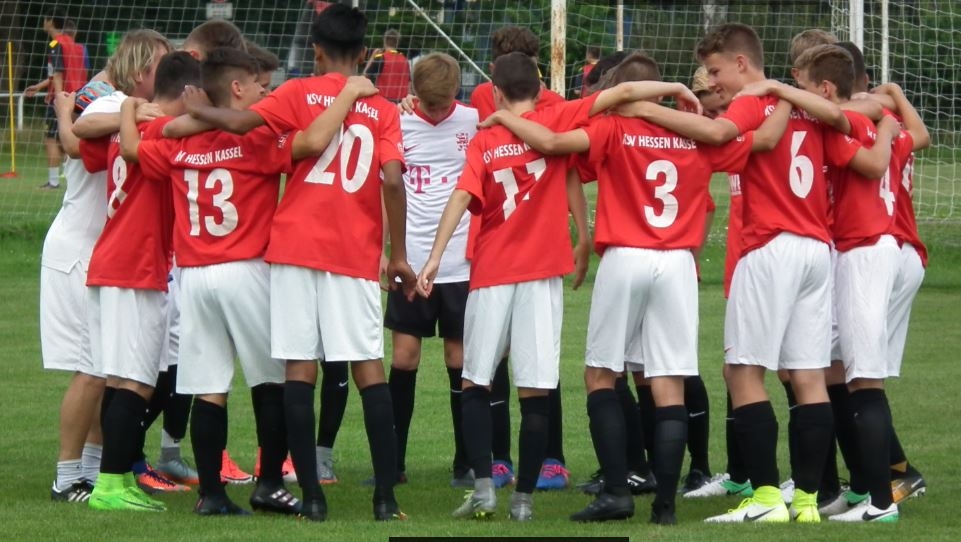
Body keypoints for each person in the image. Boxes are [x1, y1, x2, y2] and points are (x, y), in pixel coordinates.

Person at [480, 52, 788, 525]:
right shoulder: (697, 132)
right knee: (668, 384)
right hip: (678, 262)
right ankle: (665, 505)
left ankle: (617, 492)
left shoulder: (613, 128)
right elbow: (763, 141)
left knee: (601, 375)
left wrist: (504, 118)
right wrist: (784, 95)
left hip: (626, 255)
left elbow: (552, 142)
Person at [417, 51, 699, 521]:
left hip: (493, 270)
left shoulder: (487, 137)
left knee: (475, 381)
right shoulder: (560, 116)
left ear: (496, 92)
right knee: (536, 389)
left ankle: (484, 489)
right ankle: (524, 501)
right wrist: (676, 88)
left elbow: (463, 194)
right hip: (544, 273)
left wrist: (433, 256)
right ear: (539, 89)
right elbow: (625, 93)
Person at [626, 22, 890, 523]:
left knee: (743, 372)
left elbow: (719, 132)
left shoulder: (755, 100)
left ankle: (767, 498)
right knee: (808, 375)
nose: (714, 81)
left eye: (716, 70)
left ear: (742, 63)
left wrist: (643, 109)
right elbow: (858, 113)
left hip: (769, 246)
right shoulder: (809, 107)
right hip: (816, 249)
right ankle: (807, 502)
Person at [182, 4, 415, 522]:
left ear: (315, 50)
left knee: (298, 369)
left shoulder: (295, 92)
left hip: (293, 248)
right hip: (353, 251)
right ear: (366, 53)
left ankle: (311, 498)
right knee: (368, 368)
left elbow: (240, 122)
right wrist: (397, 254)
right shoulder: (383, 108)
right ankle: (385, 500)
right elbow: (393, 180)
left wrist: (199, 110)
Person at [121, 46, 377, 516]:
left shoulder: (178, 140)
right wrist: (347, 96)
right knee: (274, 382)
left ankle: (211, 495)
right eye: (259, 85)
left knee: (209, 387)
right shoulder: (259, 139)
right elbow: (313, 142)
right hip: (246, 269)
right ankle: (269, 484)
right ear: (237, 88)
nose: (265, 93)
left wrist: (132, 111)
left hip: (194, 275)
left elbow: (134, 149)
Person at [85, 49, 196, 513]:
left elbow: (84, 143)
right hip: (138, 264)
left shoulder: (127, 125)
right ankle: (111, 485)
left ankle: (115, 477)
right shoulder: (164, 133)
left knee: (119, 380)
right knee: (137, 382)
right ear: (189, 92)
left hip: (111, 260)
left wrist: (128, 108)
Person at [380, 52, 478, 489]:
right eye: (429, 104)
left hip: (459, 263)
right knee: (404, 357)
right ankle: (393, 462)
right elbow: (387, 189)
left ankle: (465, 462)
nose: (437, 113)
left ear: (457, 91)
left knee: (459, 359)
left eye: (444, 104)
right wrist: (385, 250)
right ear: (414, 93)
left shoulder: (473, 122)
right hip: (412, 259)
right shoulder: (398, 123)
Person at [43, 81, 116, 504]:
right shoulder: (94, 137)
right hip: (75, 255)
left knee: (102, 370)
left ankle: (89, 472)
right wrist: (65, 114)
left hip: (95, 254)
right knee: (90, 370)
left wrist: (65, 112)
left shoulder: (107, 126)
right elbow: (73, 143)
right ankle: (66, 478)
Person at [24, 7, 87, 189]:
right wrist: (39, 86)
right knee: (70, 138)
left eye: (45, 19)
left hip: (63, 99)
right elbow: (61, 73)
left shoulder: (55, 44)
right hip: (78, 97)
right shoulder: (77, 46)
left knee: (51, 139)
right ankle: (72, 178)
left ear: (51, 21)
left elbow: (58, 74)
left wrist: (58, 98)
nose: (43, 22)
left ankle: (53, 181)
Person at [363, 29, 411, 102]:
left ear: (384, 41)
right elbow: (409, 84)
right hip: (401, 103)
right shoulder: (405, 60)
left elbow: (365, 76)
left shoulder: (381, 58)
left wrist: (372, 57)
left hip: (384, 101)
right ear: (397, 43)